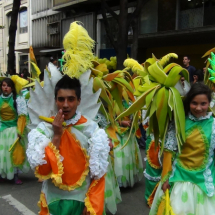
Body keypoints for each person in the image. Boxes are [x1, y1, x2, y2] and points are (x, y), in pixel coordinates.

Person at [27, 75, 110, 215]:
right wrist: (57, 135)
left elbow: (99, 174)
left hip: (81, 200)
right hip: (53, 201)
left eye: (71, 99)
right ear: (55, 101)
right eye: (61, 99)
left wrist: (92, 205)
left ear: (79, 101)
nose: (66, 105)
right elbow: (43, 170)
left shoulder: (92, 130)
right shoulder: (43, 129)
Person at [150, 83, 215, 215]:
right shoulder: (179, 122)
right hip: (178, 179)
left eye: (203, 103)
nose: (198, 108)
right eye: (194, 103)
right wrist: (165, 178)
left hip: (204, 181)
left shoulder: (213, 125)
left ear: (209, 103)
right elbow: (169, 151)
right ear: (188, 102)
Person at [0, 78, 29, 184]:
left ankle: (15, 175)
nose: (5, 88)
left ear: (12, 88)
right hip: (2, 129)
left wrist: (20, 131)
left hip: (14, 129)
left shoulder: (18, 99)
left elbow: (22, 116)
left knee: (14, 153)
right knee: (2, 154)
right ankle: (3, 174)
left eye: (7, 86)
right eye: (3, 85)